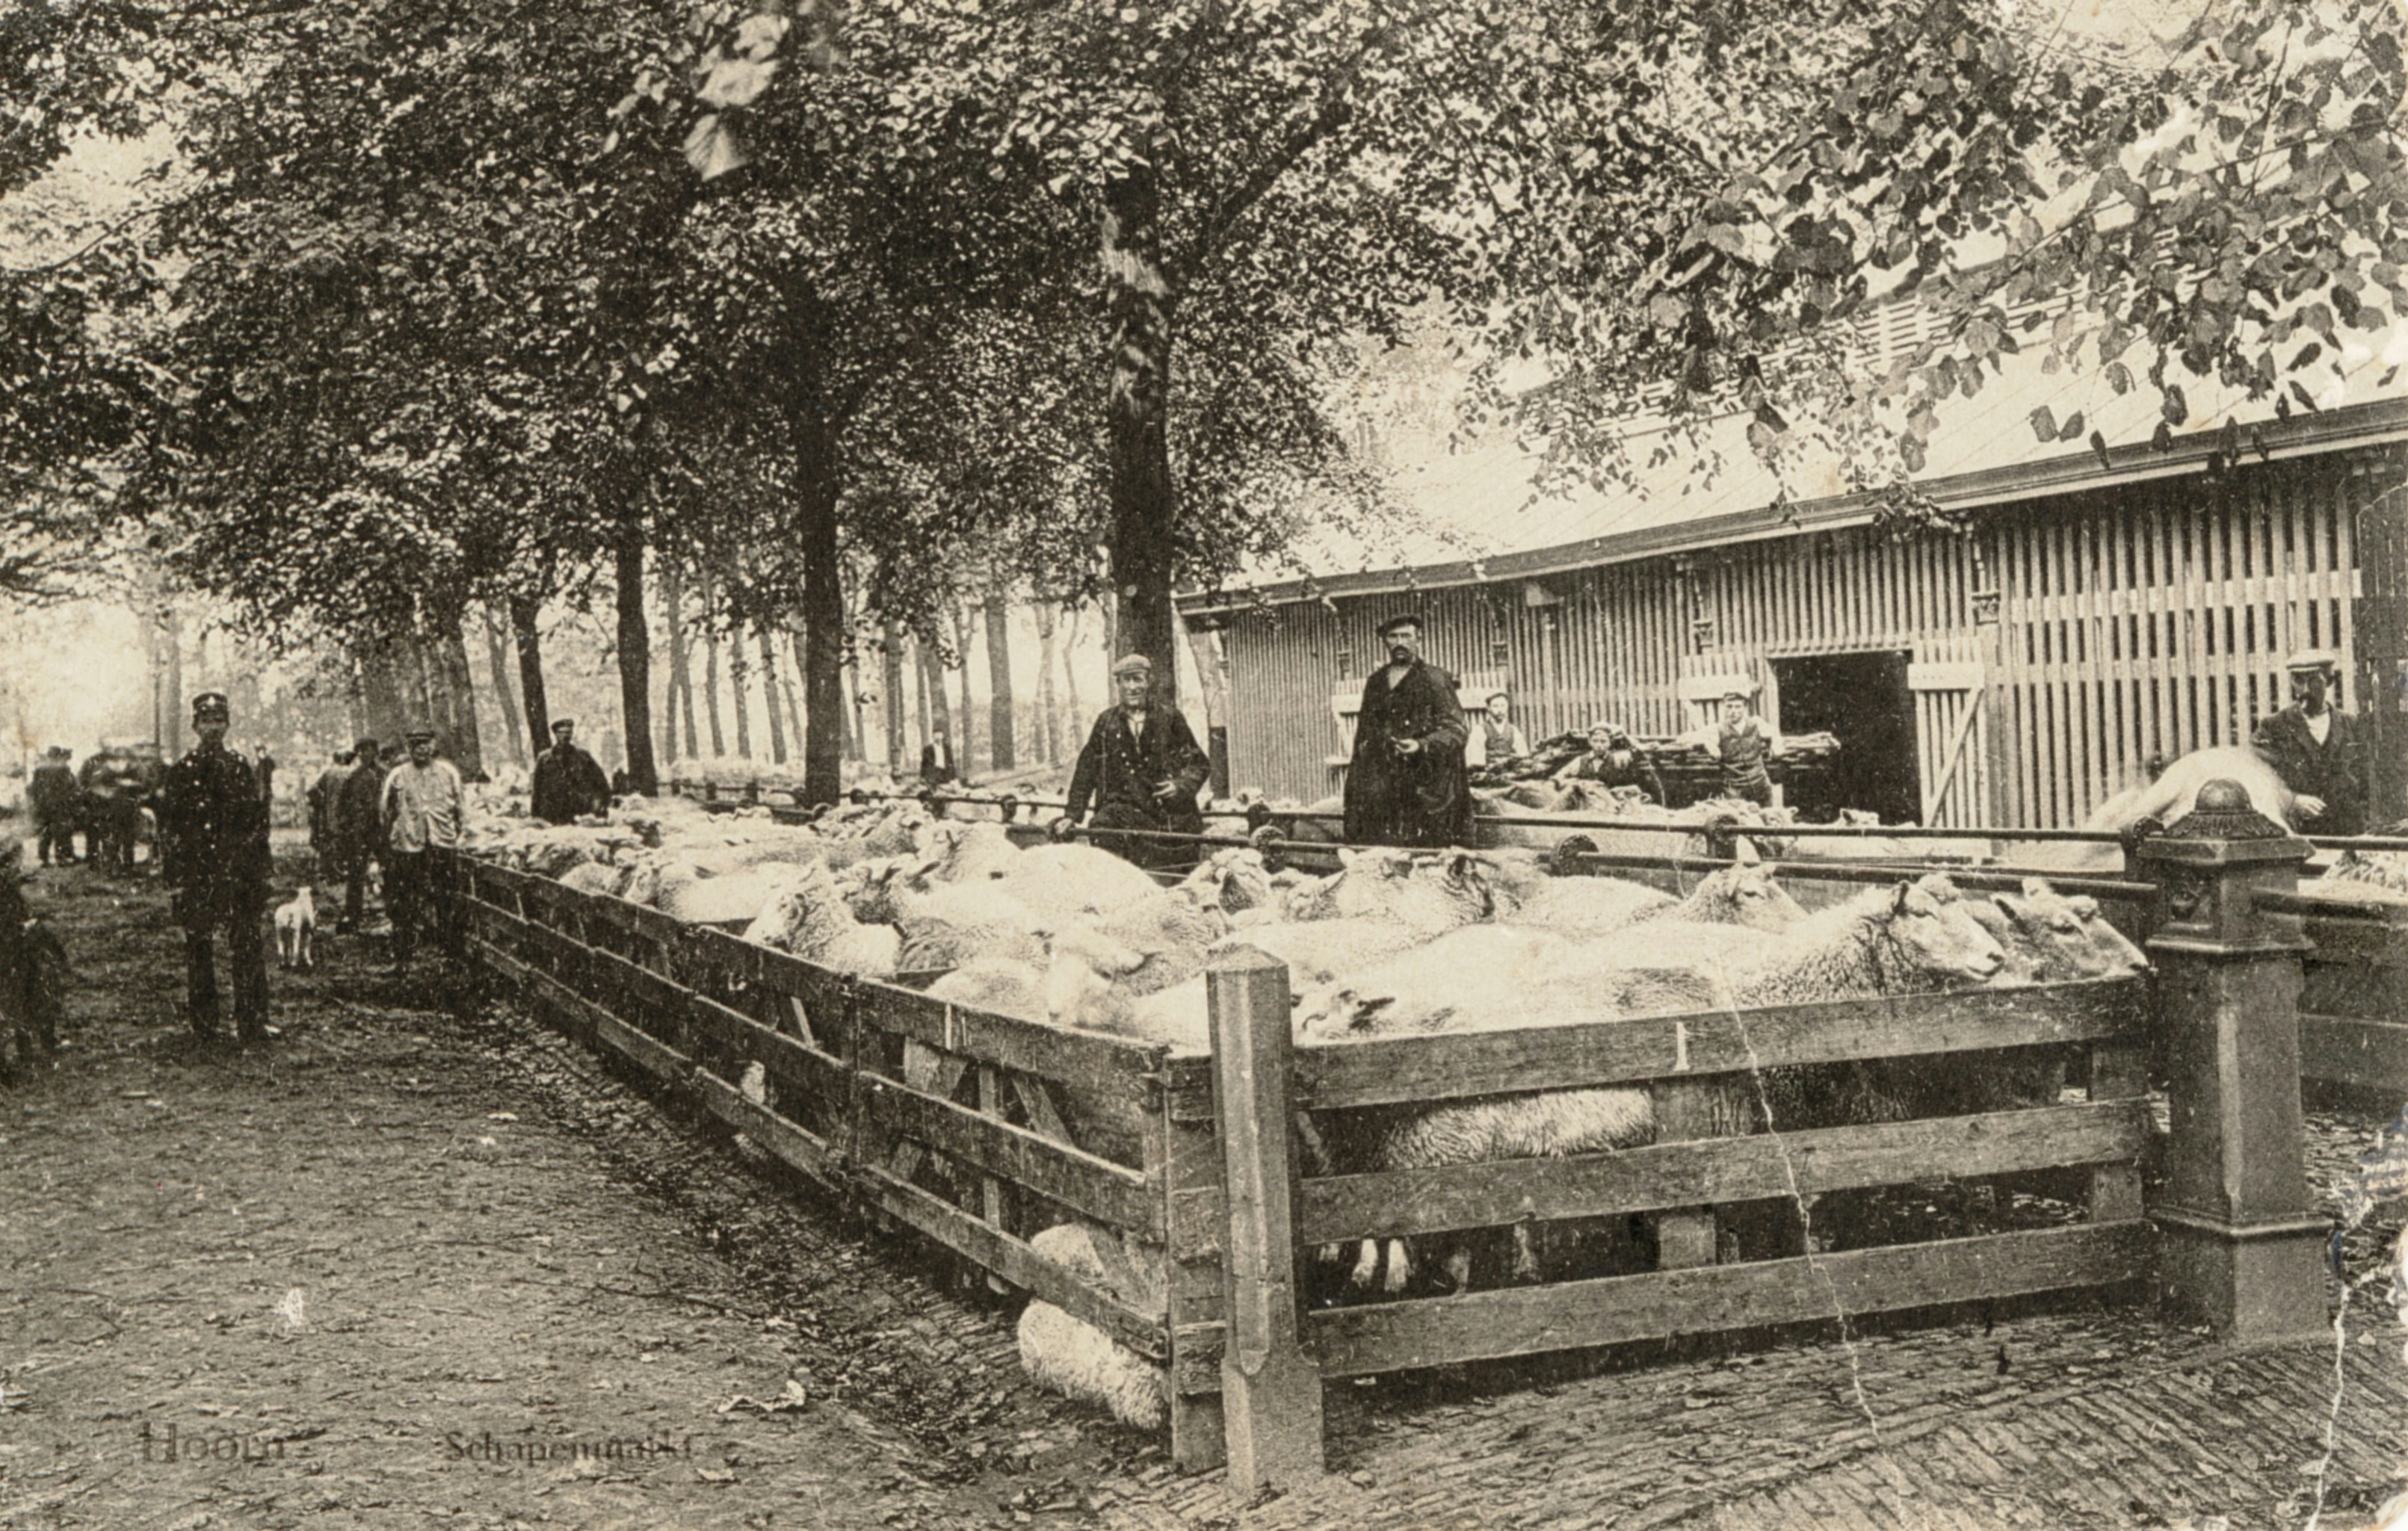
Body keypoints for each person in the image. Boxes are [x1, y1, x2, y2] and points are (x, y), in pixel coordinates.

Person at [154, 693, 272, 1043]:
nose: (212, 729)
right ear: (195, 726)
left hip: (237, 871)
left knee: (247, 944)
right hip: (197, 873)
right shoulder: (180, 773)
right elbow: (170, 829)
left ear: (227, 725)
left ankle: (252, 1021)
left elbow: (255, 822)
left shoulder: (240, 768)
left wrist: (261, 870)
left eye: (218, 721)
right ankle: (204, 1024)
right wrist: (175, 878)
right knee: (199, 946)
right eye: (205, 722)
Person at [1059, 653, 1211, 870]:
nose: (1132, 687)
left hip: (1166, 818)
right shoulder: (1106, 724)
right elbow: (1086, 771)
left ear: (1148, 682)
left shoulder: (1170, 719)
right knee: (1104, 839)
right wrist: (1072, 816)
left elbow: (1198, 763)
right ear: (1119, 685)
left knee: (1172, 875)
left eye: (1137, 679)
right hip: (1122, 814)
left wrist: (1180, 785)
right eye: (1126, 680)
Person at [1342, 614, 1472, 848]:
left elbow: (1457, 730)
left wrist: (1421, 745)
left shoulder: (1435, 679)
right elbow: (1363, 734)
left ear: (1418, 640)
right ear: (1385, 642)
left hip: (1427, 785)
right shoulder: (1376, 682)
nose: (1399, 642)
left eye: (1406, 636)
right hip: (1385, 784)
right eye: (1393, 636)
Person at [2253, 649, 2367, 835]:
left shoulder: (2352, 725)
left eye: (2314, 681)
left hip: (2349, 834)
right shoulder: (2273, 727)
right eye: (2299, 681)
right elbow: (2256, 776)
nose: (2305, 690)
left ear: (2329, 682)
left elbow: (2369, 781)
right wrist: (2292, 801)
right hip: (2299, 835)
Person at [380, 727, 465, 969]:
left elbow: (460, 806)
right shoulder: (398, 775)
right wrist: (395, 836)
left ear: (433, 747)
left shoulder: (448, 773)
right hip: (408, 844)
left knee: (446, 897)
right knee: (405, 900)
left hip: (442, 841)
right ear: (409, 749)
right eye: (416, 745)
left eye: (426, 744)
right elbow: (385, 810)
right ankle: (404, 956)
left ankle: (451, 953)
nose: (421, 750)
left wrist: (455, 834)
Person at [335, 735, 388, 934]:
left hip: (382, 831)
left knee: (390, 872)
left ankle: (396, 914)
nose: (367, 754)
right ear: (359, 754)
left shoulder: (386, 775)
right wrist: (346, 830)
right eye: (363, 751)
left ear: (376, 752)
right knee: (356, 874)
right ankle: (352, 915)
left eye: (371, 750)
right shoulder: (353, 777)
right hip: (359, 833)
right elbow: (343, 807)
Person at [1552, 721, 1668, 804]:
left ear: (1610, 743)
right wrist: (1574, 783)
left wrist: (1630, 739)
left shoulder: (1619, 759)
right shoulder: (1579, 762)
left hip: (1612, 804)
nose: (1599, 745)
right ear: (1590, 742)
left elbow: (1637, 754)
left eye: (1603, 742)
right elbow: (1557, 779)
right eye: (1595, 741)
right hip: (1587, 806)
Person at [1705, 690, 1781, 806]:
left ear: (1745, 708)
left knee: (1769, 818)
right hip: (1735, 789)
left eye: (1738, 707)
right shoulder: (1719, 729)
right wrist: (1712, 747)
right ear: (1724, 708)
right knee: (1740, 822)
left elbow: (1774, 732)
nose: (1733, 711)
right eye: (1729, 707)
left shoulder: (1756, 723)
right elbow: (1708, 740)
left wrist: (1777, 744)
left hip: (1760, 783)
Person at [531, 717, 612, 824]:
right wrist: (535, 814)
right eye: (562, 733)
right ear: (556, 734)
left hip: (578, 811)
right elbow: (537, 788)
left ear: (572, 734)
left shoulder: (583, 756)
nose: (565, 736)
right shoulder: (544, 758)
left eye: (568, 733)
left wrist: (601, 803)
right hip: (553, 812)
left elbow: (600, 781)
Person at [307, 750, 356, 881]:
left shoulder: (329, 773)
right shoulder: (352, 773)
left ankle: (331, 871)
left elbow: (312, 790)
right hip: (348, 813)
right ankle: (344, 869)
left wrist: (321, 803)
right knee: (347, 841)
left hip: (330, 812)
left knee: (331, 840)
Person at [28, 747, 81, 867]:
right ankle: (61, 858)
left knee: (45, 832)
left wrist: (37, 804)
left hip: (43, 806)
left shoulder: (39, 770)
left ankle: (44, 859)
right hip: (59, 806)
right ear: (58, 756)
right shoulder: (63, 769)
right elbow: (68, 788)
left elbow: (33, 789)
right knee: (61, 832)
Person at [77, 748, 124, 874]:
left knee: (96, 836)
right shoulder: (108, 770)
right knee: (105, 835)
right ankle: (107, 864)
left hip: (97, 806)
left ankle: (97, 863)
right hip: (101, 806)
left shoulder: (91, 766)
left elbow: (82, 783)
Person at [1463, 693, 1532, 771]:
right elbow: (1477, 760)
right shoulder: (1480, 730)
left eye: (1503, 706)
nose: (1500, 710)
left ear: (1507, 707)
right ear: (1489, 708)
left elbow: (1523, 754)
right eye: (1495, 706)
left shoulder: (1513, 730)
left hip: (1510, 770)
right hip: (1488, 771)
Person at [920, 725, 957, 789]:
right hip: (933, 772)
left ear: (942, 736)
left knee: (946, 789)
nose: (938, 737)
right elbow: (924, 764)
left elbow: (951, 762)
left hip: (945, 772)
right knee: (933, 790)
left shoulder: (947, 748)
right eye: (936, 735)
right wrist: (923, 776)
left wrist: (953, 776)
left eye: (939, 735)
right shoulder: (928, 749)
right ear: (933, 737)